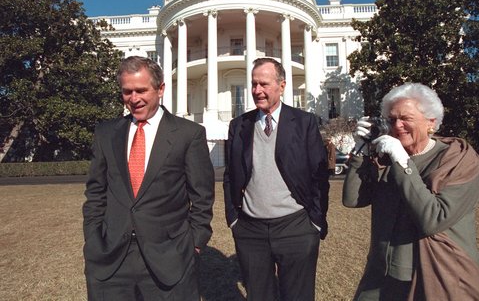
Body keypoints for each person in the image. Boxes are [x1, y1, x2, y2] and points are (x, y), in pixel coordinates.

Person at [343, 83, 479, 300]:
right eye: (392, 119)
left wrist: (403, 163)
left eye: (406, 118)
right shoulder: (386, 157)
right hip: (381, 275)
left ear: (431, 122)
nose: (398, 125)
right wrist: (360, 150)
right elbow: (352, 199)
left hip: (434, 275)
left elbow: (432, 219)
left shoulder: (456, 158)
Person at [83, 56, 215, 300]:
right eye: (127, 92)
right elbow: (95, 192)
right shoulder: (106, 133)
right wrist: (93, 239)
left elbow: (203, 197)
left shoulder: (188, 134)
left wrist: (194, 243)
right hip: (110, 258)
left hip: (169, 258)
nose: (134, 99)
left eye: (141, 90)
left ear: (160, 89)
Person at [223, 57, 330, 301]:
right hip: (250, 230)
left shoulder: (304, 123)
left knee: (298, 296)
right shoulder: (239, 125)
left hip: (296, 227)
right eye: (253, 84)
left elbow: (319, 176)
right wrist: (233, 219)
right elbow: (230, 175)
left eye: (264, 84)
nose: (257, 90)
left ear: (282, 86)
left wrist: (314, 222)